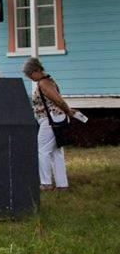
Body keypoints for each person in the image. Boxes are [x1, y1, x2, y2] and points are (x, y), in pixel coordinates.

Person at [24, 57, 83, 190]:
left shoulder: (43, 83)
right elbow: (57, 101)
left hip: (50, 119)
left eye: (30, 74)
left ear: (37, 70)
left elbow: (58, 100)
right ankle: (62, 184)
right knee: (56, 152)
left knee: (42, 151)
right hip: (56, 117)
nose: (29, 77)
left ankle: (46, 183)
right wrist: (67, 111)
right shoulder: (49, 80)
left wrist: (68, 110)